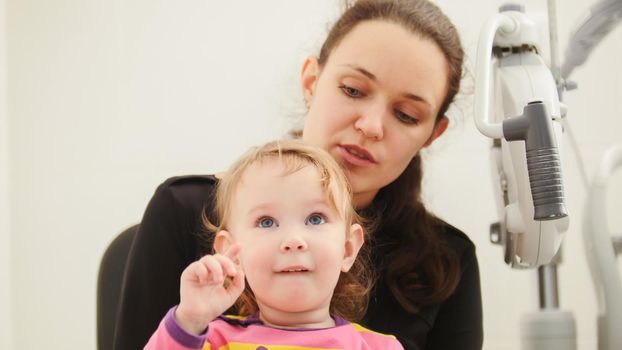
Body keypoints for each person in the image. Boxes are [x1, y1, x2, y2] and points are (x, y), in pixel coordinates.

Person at [115, 1, 483, 349]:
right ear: (311, 82)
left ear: (433, 133)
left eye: (406, 114)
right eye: (353, 90)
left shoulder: (448, 261)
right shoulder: (185, 210)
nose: (370, 126)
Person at [143, 140, 404, 349]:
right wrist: (189, 320)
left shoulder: (379, 347)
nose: (293, 241)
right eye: (267, 222)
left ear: (347, 249)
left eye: (315, 218)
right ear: (231, 254)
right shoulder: (210, 340)